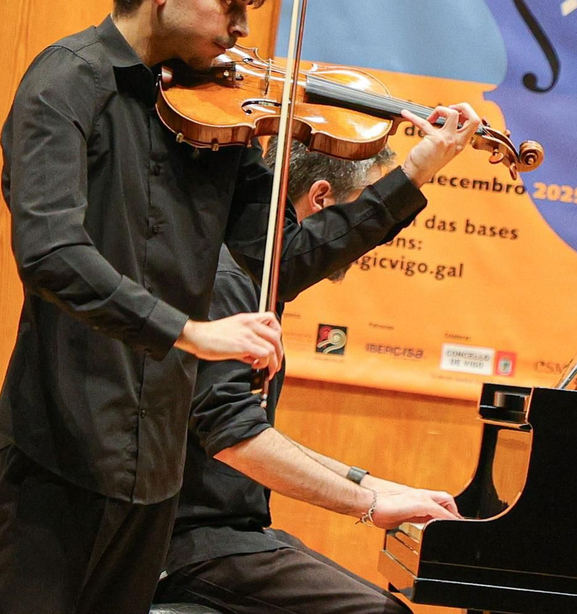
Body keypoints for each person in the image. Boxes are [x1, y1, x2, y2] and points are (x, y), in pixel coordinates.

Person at [0, 0, 483, 614]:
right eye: (231, 2)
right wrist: (190, 332)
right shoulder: (65, 85)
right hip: (58, 458)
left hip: (153, 481)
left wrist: (416, 170)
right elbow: (50, 253)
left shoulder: (215, 121)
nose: (243, 29)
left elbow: (280, 262)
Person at [155, 142, 460, 614]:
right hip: (186, 543)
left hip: (224, 537)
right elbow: (236, 439)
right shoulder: (226, 281)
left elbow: (253, 431)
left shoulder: (250, 282)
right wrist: (370, 504)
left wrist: (378, 484)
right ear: (321, 199)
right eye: (359, 206)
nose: (362, 244)